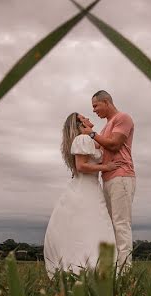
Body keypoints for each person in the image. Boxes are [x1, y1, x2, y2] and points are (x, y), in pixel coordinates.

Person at [43, 113, 120, 275]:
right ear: (79, 125)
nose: (88, 118)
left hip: (88, 186)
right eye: (84, 117)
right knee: (93, 225)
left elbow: (103, 147)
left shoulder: (88, 140)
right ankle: (88, 267)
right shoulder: (82, 140)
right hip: (86, 187)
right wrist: (107, 168)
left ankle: (87, 266)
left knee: (87, 227)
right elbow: (81, 166)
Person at [89, 90, 136, 270]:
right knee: (111, 225)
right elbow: (97, 150)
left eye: (95, 105)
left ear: (106, 102)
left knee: (121, 223)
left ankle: (125, 270)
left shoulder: (123, 118)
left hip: (122, 175)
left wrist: (92, 134)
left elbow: (115, 145)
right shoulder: (104, 127)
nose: (94, 110)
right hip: (107, 178)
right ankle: (114, 267)